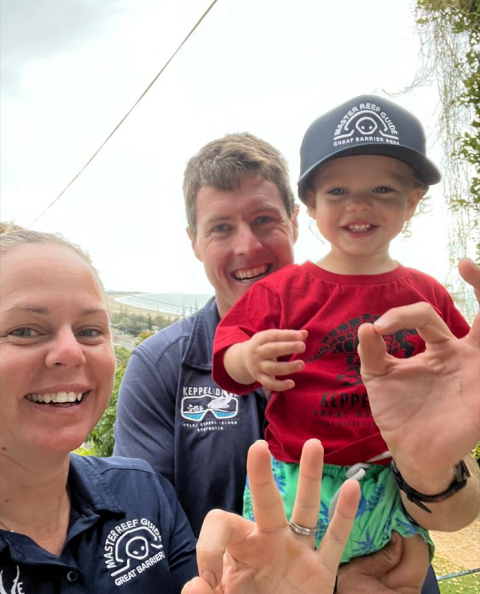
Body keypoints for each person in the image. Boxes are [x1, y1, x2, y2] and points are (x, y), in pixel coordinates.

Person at [113, 131, 472, 593]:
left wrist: (430, 475)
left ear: (297, 220)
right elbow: (150, 530)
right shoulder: (159, 367)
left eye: (264, 220)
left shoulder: (413, 303)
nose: (247, 246)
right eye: (221, 227)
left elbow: (460, 507)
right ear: (194, 240)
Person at [0, 223, 361, 594]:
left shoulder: (141, 493)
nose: (70, 352)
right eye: (25, 331)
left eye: (89, 330)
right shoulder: (163, 363)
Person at [211, 96, 477, 590]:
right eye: (338, 191)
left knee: (396, 574)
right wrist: (250, 358)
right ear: (309, 205)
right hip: (296, 476)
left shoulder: (427, 295)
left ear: (413, 200)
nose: (360, 205)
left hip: (392, 478)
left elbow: (464, 370)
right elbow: (228, 352)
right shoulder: (281, 290)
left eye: (382, 188)